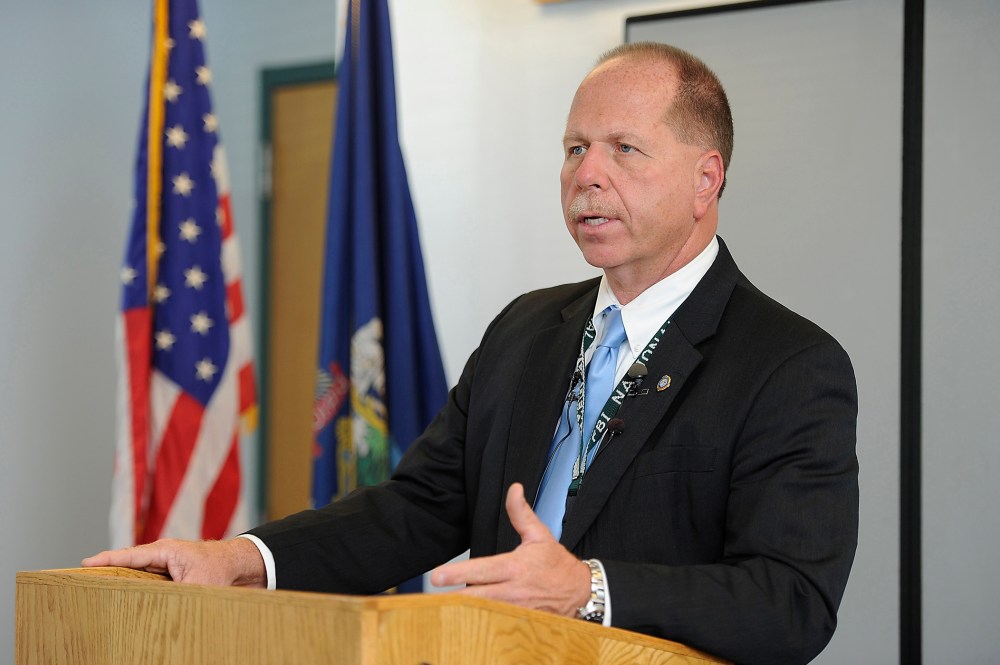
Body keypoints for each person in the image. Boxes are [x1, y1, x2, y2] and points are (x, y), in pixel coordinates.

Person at [85, 42, 859, 665]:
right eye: (575, 148)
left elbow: (789, 602)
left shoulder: (788, 366)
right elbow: (415, 509)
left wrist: (586, 589)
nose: (587, 174)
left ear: (706, 179)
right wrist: (241, 559)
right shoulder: (526, 330)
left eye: (624, 149)